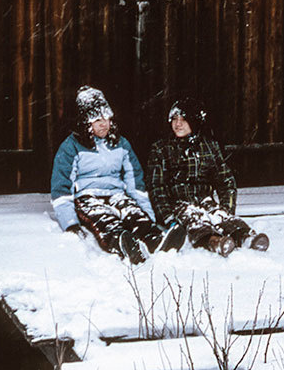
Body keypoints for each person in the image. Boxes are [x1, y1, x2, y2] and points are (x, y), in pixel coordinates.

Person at [50, 86, 183, 263]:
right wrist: (70, 223)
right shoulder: (71, 147)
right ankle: (121, 242)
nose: (104, 123)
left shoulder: (120, 143)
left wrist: (148, 214)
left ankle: (154, 239)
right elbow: (61, 188)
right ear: (85, 122)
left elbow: (134, 180)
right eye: (97, 120)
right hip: (87, 196)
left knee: (132, 212)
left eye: (107, 117)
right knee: (103, 218)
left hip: (116, 193)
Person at [147, 97, 268, 254]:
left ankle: (245, 238)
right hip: (178, 204)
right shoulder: (162, 149)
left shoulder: (209, 146)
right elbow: (157, 187)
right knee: (195, 220)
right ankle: (214, 242)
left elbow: (226, 181)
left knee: (221, 217)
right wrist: (167, 216)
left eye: (183, 120)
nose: (178, 124)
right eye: (175, 119)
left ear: (195, 122)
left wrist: (226, 209)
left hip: (204, 200)